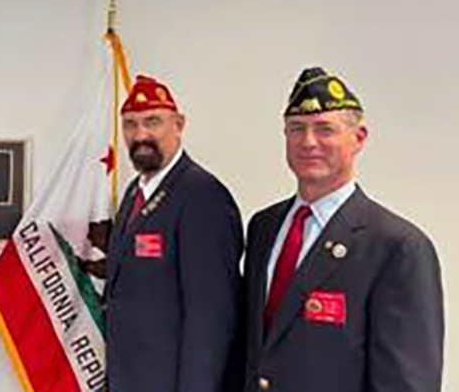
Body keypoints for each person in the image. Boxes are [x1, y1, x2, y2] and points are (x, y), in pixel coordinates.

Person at [243, 67, 443, 392]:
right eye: (297, 129)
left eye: (325, 129)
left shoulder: (397, 247)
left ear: (359, 139)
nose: (308, 142)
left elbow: (406, 383)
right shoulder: (264, 227)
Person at [105, 75, 244, 392]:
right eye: (130, 124)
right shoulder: (134, 194)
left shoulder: (202, 197)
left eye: (152, 121)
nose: (140, 134)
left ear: (179, 124)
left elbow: (211, 320)